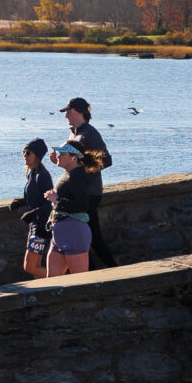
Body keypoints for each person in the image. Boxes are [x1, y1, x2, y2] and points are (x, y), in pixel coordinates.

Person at [63, 98, 116, 268]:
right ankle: (93, 270)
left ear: (79, 112)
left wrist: (84, 170)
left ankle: (108, 270)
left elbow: (106, 160)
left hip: (89, 194)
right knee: (84, 235)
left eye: (69, 113)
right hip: (77, 193)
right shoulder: (74, 133)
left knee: (90, 236)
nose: (66, 117)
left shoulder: (89, 134)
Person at [42, 143, 97, 275]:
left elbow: (83, 204)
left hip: (74, 233)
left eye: (62, 153)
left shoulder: (77, 175)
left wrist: (58, 200)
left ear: (73, 157)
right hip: (59, 233)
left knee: (79, 283)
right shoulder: (70, 172)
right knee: (53, 283)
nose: (58, 155)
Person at [12, 139, 55, 279]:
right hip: (35, 225)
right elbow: (35, 197)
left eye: (28, 152)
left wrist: (34, 213)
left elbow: (51, 202)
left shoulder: (42, 175)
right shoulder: (32, 173)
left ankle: (62, 280)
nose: (24, 155)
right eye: (23, 152)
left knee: (30, 267)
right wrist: (20, 202)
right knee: (34, 267)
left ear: (36, 155)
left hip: (41, 227)